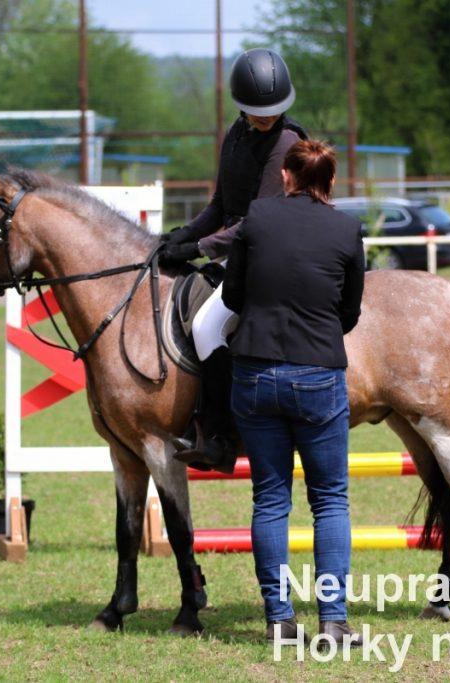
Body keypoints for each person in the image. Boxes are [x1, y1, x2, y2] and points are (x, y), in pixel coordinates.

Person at [221, 139, 366, 645]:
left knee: (269, 499)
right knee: (330, 500)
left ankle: (280, 620)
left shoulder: (258, 217)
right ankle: (333, 621)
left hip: (255, 371)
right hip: (318, 373)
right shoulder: (347, 229)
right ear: (330, 181)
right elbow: (350, 311)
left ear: (286, 176)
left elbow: (232, 295)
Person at [162, 48, 307, 473]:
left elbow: (255, 220)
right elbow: (221, 205)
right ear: (241, 107)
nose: (266, 117)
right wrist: (183, 233)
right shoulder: (236, 134)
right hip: (239, 249)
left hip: (270, 252)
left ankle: (222, 436)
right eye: (258, 112)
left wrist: (199, 247)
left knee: (208, 326)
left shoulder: (286, 142)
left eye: (273, 110)